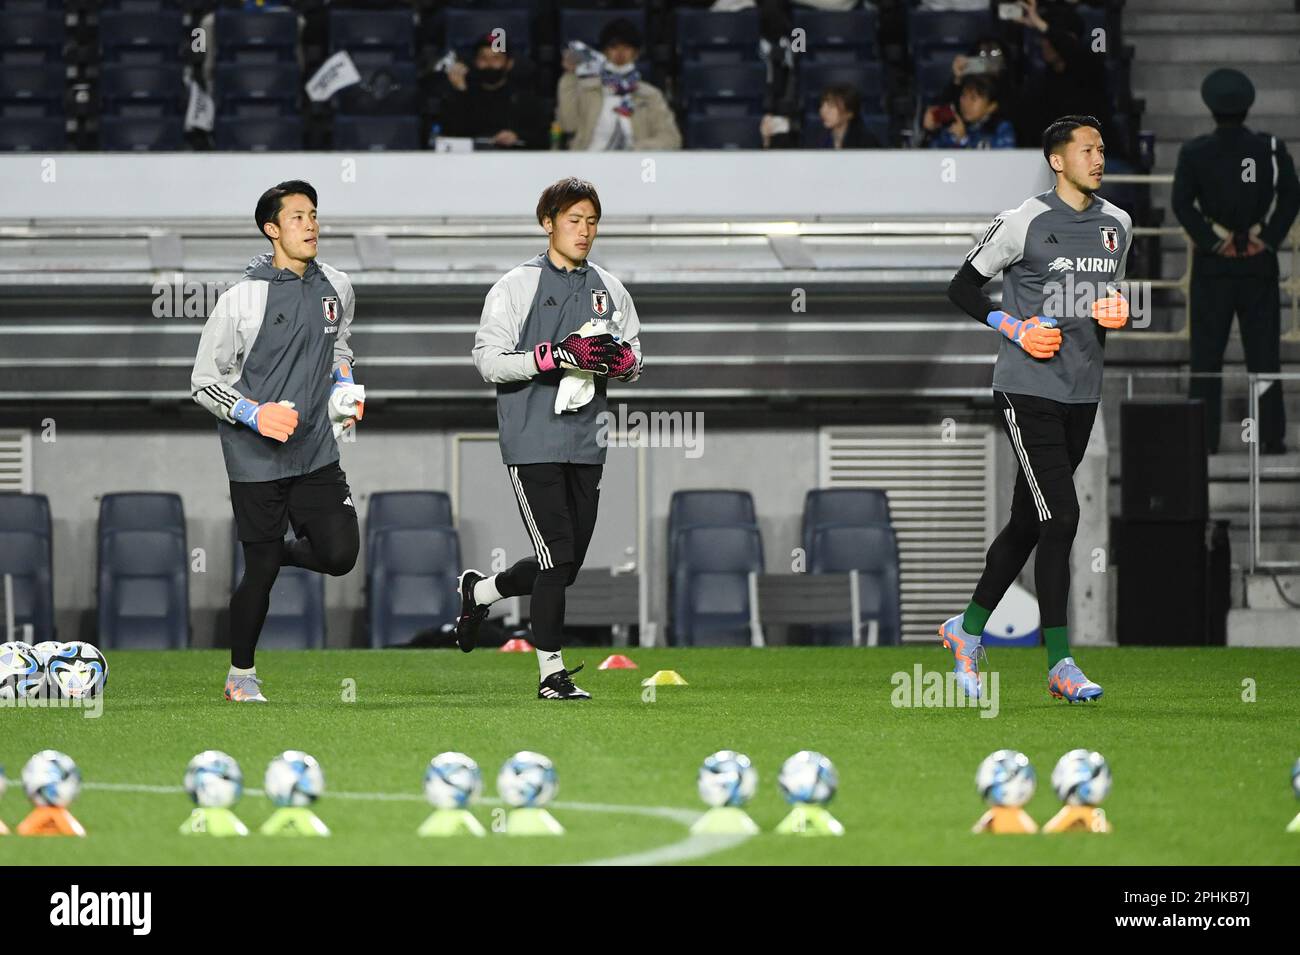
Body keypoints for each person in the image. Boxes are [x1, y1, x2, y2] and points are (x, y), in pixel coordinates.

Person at [942, 116, 1132, 703]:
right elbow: (960, 287)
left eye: (1102, 148)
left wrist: (1117, 311)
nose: (1098, 158)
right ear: (1057, 160)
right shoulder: (1023, 221)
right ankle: (1060, 663)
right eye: (1086, 149)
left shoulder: (1118, 225)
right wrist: (1013, 326)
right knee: (1063, 519)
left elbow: (1103, 301)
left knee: (1030, 522)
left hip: (1082, 392)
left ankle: (965, 631)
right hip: (1027, 390)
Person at [456, 178, 643, 700]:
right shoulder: (515, 286)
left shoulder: (610, 287)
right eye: (573, 220)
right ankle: (551, 675)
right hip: (532, 440)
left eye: (591, 221)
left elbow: (634, 353)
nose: (584, 231)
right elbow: (488, 361)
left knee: (563, 565)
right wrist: (555, 356)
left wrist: (624, 362)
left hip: (587, 441)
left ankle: (481, 590)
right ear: (548, 223)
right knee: (557, 558)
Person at [191, 180, 363, 703]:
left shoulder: (338, 285)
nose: (310, 225)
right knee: (260, 572)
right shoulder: (241, 299)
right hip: (256, 458)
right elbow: (203, 380)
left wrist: (345, 385)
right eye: (297, 217)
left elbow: (341, 346)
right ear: (272, 230)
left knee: (341, 555)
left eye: (313, 215)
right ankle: (241, 677)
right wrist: (253, 412)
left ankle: (274, 553)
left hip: (315, 453)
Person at [1173, 68, 1300, 455]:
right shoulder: (1271, 147)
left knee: (1206, 356)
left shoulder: (1194, 151)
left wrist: (1214, 241)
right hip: (1257, 261)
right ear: (1248, 106)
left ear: (1210, 108)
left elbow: (1181, 204)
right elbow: (1292, 195)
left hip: (1214, 266)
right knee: (1263, 354)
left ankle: (1202, 439)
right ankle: (1269, 436)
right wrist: (1269, 238)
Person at [555, 18, 681, 151]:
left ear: (636, 53)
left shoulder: (650, 95)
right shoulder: (586, 89)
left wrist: (635, 150)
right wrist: (569, 76)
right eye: (614, 47)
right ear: (604, 52)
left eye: (626, 48)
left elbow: (671, 138)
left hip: (635, 163)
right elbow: (568, 125)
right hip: (590, 160)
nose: (620, 54)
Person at [440, 34, 549, 149]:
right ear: (476, 62)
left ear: (509, 63)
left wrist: (517, 136)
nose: (489, 64)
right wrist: (460, 93)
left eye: (496, 58)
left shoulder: (524, 97)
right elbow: (451, 135)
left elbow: (543, 138)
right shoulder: (465, 93)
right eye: (483, 59)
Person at [924, 75, 1016, 149]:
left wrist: (964, 140)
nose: (966, 104)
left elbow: (1003, 164)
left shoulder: (1002, 129)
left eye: (973, 98)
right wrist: (930, 132)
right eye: (964, 96)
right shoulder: (952, 124)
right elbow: (931, 160)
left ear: (991, 107)